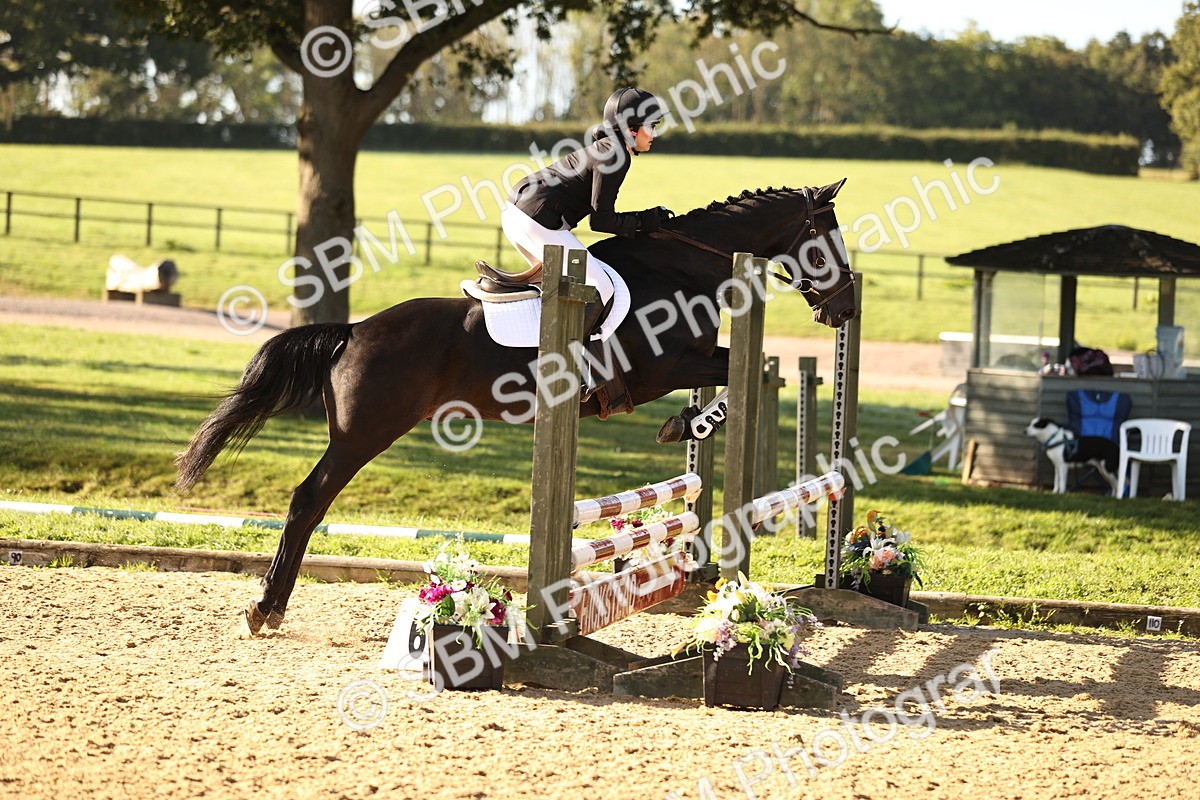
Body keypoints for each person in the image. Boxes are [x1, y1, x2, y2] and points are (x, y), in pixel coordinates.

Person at [500, 87, 673, 375]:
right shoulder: (616, 155)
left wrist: (641, 220)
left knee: (560, 285)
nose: (653, 135)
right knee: (602, 285)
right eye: (651, 127)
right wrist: (644, 221)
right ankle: (571, 365)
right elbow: (601, 221)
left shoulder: (609, 149)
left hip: (520, 213)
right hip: (535, 218)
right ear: (631, 129)